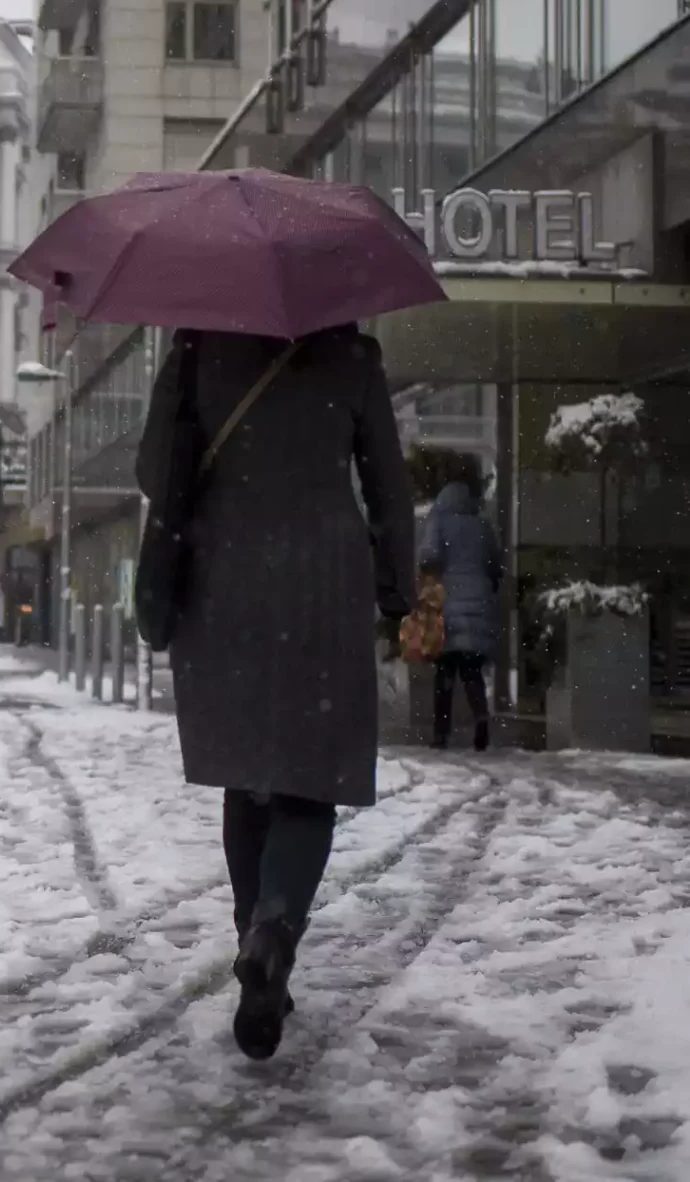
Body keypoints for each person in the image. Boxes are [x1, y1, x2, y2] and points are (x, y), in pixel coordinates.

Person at [137, 324, 413, 1062]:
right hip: (324, 581)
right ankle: (273, 930)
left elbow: (152, 465)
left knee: (246, 772)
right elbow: (387, 481)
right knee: (306, 782)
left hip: (222, 579)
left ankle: (252, 936)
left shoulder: (199, 343)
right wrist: (397, 583)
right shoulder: (351, 355)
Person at [419, 476, 503, 751]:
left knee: (445, 670)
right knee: (470, 668)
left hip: (448, 600)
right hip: (478, 600)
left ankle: (441, 733)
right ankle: (480, 716)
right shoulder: (482, 525)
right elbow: (495, 564)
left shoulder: (439, 522)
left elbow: (428, 557)